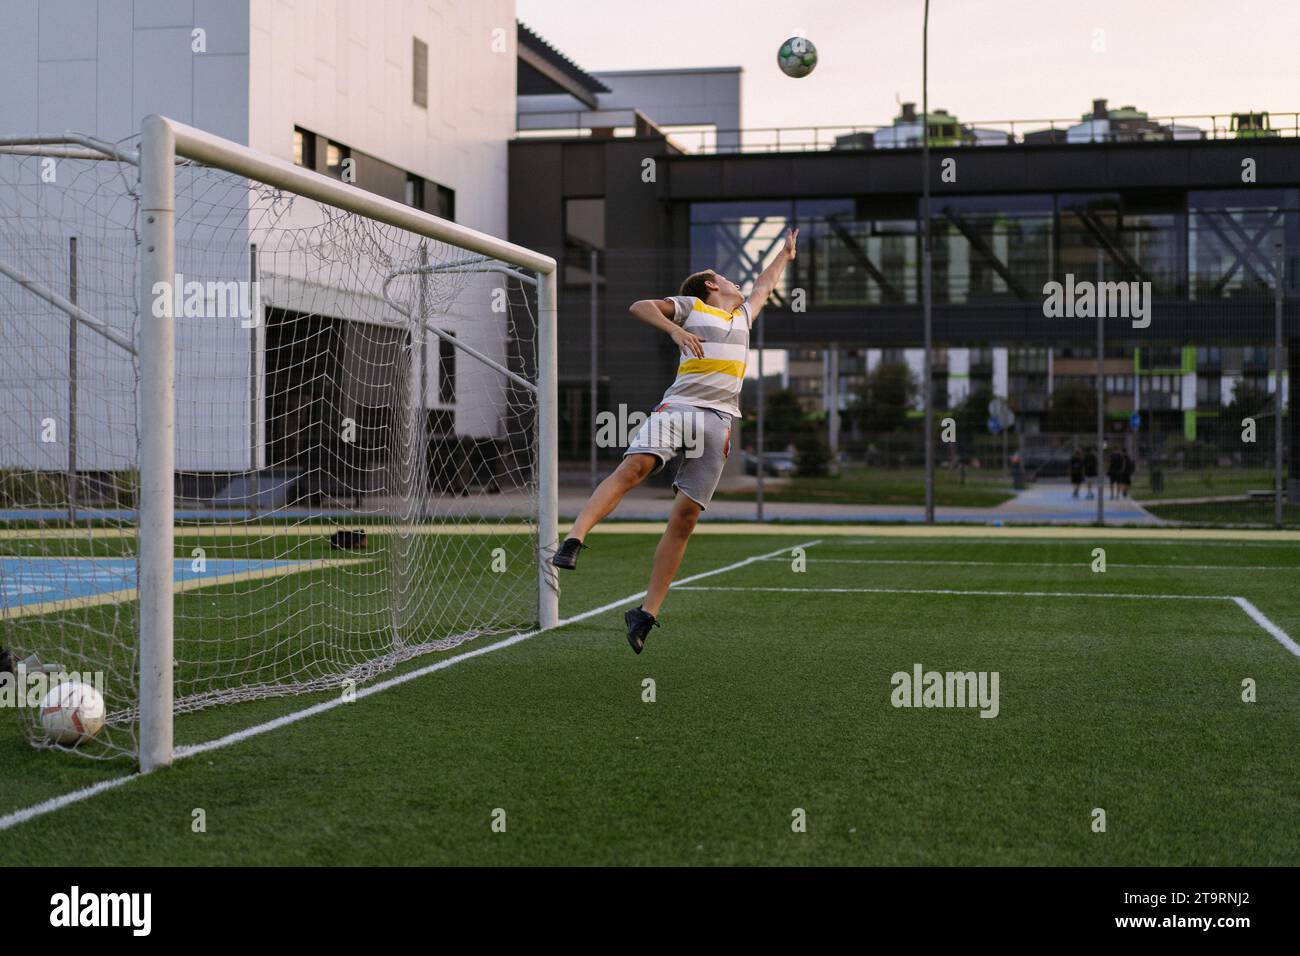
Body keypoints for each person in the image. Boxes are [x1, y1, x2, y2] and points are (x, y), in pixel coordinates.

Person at [550, 228, 799, 653]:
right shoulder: (693, 306)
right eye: (727, 277)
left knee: (684, 519)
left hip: (719, 422)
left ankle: (645, 614)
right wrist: (673, 330)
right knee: (634, 468)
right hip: (680, 407)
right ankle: (573, 539)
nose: (737, 284)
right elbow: (639, 305)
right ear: (710, 285)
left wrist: (784, 255)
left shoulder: (742, 317)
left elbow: (763, 284)